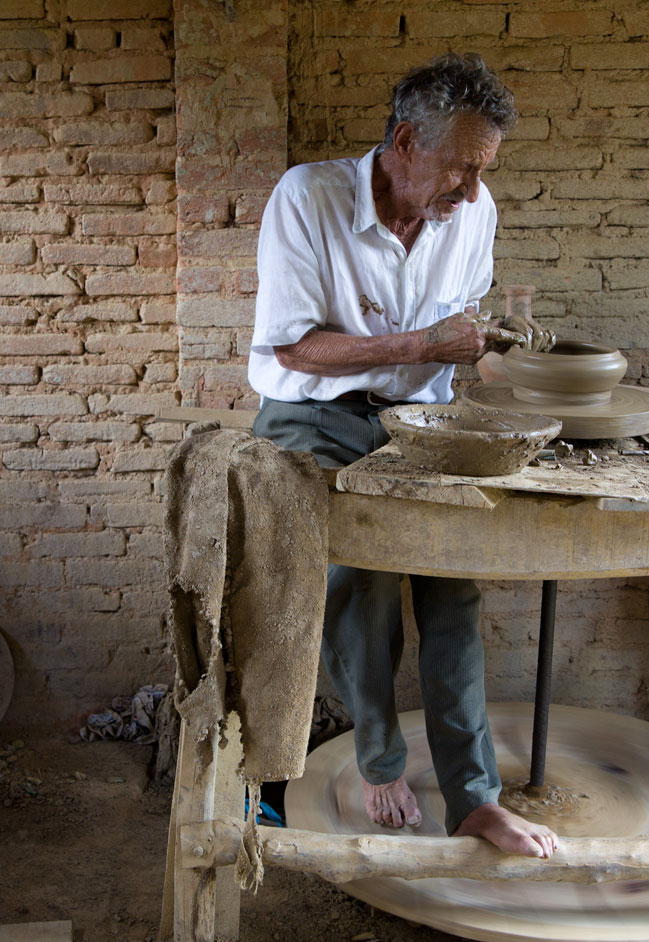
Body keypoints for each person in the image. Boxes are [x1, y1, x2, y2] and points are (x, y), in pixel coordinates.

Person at [247, 53, 558, 859]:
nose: (470, 189)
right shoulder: (308, 199)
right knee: (363, 580)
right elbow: (297, 349)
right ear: (403, 141)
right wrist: (424, 342)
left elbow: (464, 338)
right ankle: (378, 756)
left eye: (482, 170)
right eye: (458, 166)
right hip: (314, 412)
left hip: (420, 417)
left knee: (454, 586)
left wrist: (508, 359)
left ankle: (475, 798)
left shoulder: (471, 211)